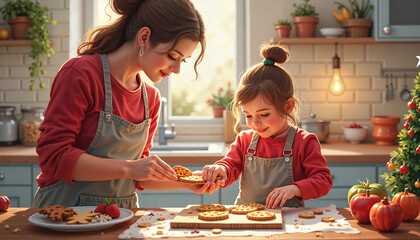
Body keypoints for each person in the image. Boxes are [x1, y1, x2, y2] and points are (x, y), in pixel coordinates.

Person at [33, 0, 215, 208]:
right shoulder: (81, 74)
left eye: (182, 60)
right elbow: (53, 156)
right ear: (144, 37)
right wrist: (129, 168)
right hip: (64, 216)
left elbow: (140, 176)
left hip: (120, 220)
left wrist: (188, 183)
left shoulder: (150, 99)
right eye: (172, 56)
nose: (176, 69)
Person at [201, 42, 333, 209]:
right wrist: (221, 170)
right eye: (248, 115)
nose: (255, 123)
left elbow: (323, 181)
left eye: (264, 114)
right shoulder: (244, 140)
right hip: (246, 220)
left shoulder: (304, 142)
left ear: (288, 107)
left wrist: (295, 189)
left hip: (289, 222)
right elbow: (231, 166)